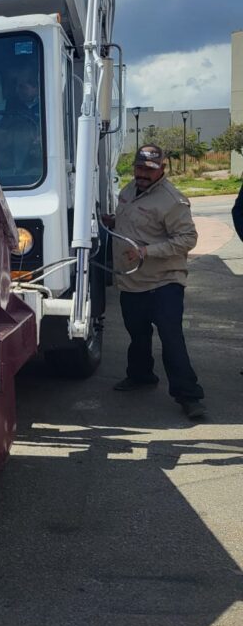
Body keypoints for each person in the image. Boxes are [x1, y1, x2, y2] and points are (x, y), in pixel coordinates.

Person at [105, 144, 206, 420]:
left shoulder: (173, 200)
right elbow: (133, 221)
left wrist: (146, 251)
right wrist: (113, 221)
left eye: (150, 170)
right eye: (139, 168)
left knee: (171, 338)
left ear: (162, 169)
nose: (143, 174)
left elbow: (188, 239)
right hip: (132, 280)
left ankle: (189, 396)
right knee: (137, 334)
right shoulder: (128, 190)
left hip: (164, 282)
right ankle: (140, 376)